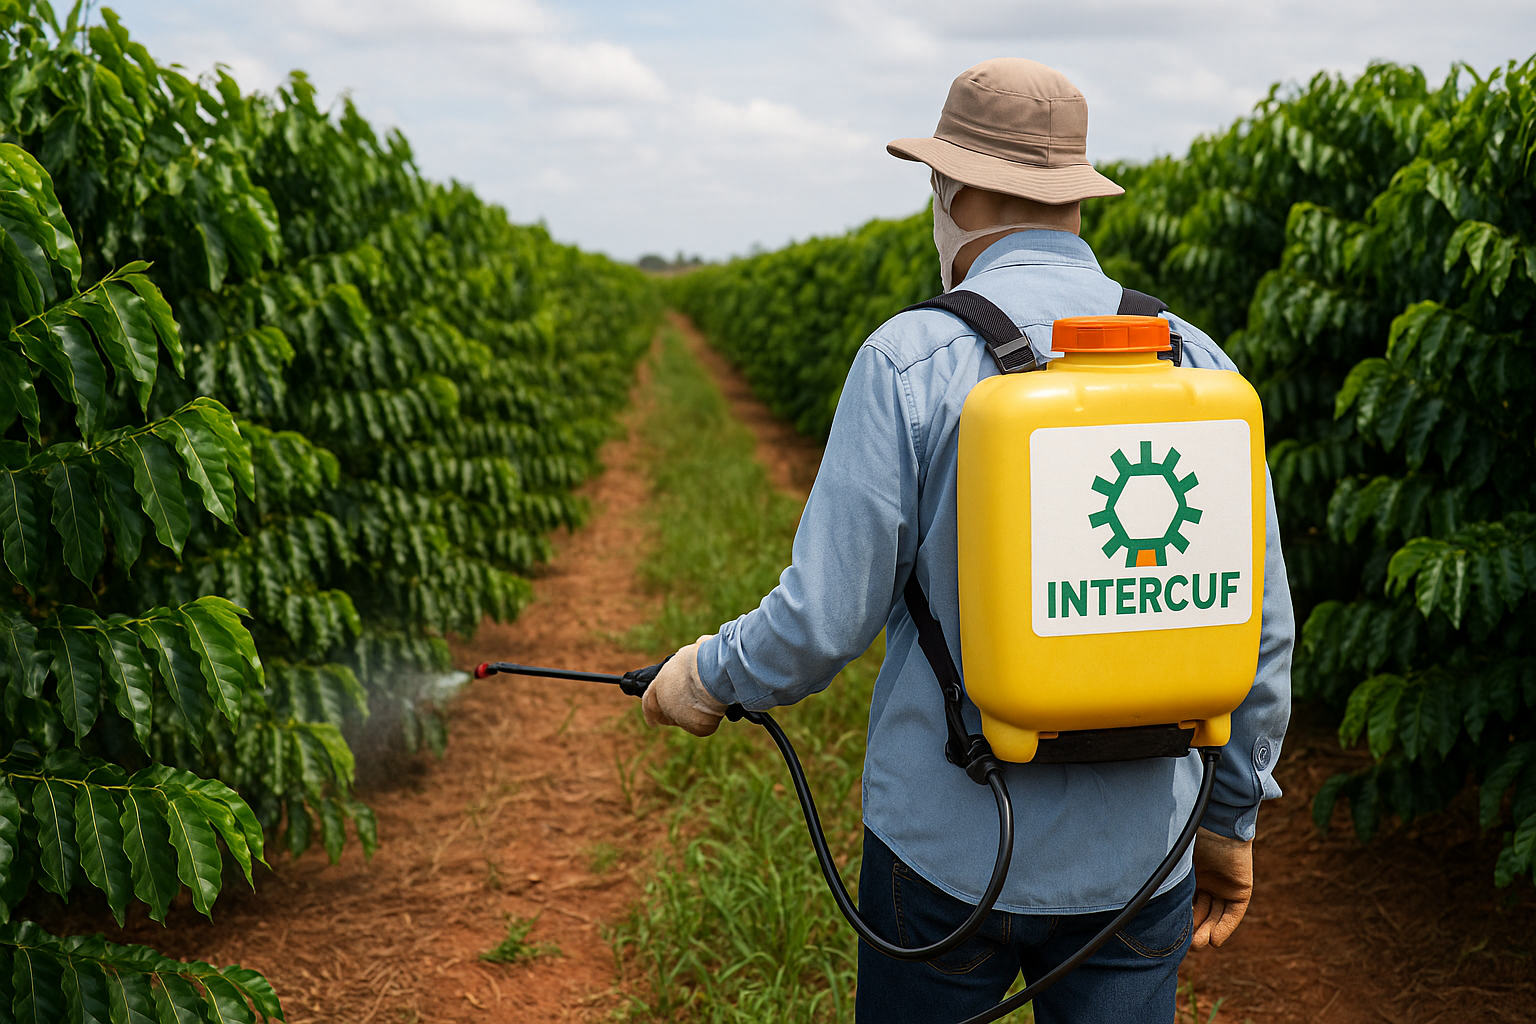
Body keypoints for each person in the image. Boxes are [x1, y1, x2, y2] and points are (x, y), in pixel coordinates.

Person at [642, 58, 1293, 1024]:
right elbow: (1259, 624)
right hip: (1139, 856)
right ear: (1073, 198)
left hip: (949, 854)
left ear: (954, 191)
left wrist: (706, 676)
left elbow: (824, 619)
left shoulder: (910, 358)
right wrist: (1231, 816)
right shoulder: (1195, 361)